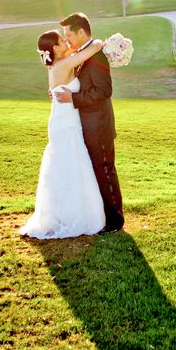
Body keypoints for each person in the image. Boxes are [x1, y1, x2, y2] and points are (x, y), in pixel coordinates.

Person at [19, 30, 106, 239]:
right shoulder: (65, 64)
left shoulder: (59, 64)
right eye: (62, 39)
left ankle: (62, 212)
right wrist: (106, 43)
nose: (66, 40)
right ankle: (74, 215)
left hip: (63, 120)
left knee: (65, 166)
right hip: (66, 123)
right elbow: (94, 47)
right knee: (72, 166)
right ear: (55, 48)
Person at [56, 12, 125, 233]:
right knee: (96, 172)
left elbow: (104, 91)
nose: (67, 40)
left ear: (82, 32)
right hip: (86, 124)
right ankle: (103, 216)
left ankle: (115, 221)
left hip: (99, 126)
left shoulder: (96, 56)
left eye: (69, 35)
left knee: (105, 171)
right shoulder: (84, 53)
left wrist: (73, 99)